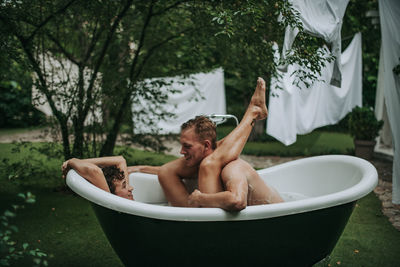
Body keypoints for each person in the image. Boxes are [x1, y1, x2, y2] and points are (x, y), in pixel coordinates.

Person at [134, 77, 283, 210]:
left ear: (206, 146)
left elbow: (238, 201)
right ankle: (254, 111)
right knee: (166, 171)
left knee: (208, 164)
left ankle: (254, 111)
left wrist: (200, 198)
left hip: (279, 220)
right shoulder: (205, 161)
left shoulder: (233, 168)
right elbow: (167, 168)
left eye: (187, 146)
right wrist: (140, 169)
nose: (181, 151)